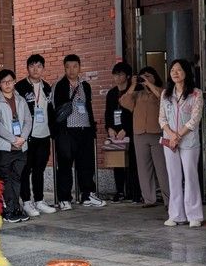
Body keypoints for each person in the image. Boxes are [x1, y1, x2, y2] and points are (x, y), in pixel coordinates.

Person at [52, 54, 105, 209]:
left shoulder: (85, 86)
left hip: (85, 130)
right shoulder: (59, 85)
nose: (71, 70)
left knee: (86, 164)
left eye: (75, 66)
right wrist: (57, 132)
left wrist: (92, 129)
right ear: (64, 68)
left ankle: (87, 195)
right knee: (65, 165)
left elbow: (88, 107)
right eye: (68, 67)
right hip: (67, 131)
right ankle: (64, 198)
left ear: (79, 67)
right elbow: (55, 109)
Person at [159, 59, 204, 228]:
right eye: (172, 70)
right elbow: (161, 118)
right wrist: (171, 135)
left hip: (189, 142)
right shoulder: (166, 94)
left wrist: (179, 135)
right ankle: (176, 215)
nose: (175, 73)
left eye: (178, 70)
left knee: (190, 177)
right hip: (169, 141)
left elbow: (195, 119)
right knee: (174, 177)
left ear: (186, 72)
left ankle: (194, 215)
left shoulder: (196, 93)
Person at [120, 66, 170, 208]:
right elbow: (124, 101)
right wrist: (133, 85)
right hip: (140, 134)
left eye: (148, 75)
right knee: (143, 168)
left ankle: (169, 199)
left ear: (155, 77)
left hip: (157, 134)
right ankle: (149, 199)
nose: (145, 78)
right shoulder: (138, 94)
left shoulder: (161, 91)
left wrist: (149, 85)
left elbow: (164, 99)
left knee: (162, 168)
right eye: (143, 76)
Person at [15, 54, 56, 216]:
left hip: (44, 135)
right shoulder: (20, 87)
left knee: (39, 169)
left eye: (39, 66)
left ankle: (39, 200)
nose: (35, 69)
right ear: (27, 68)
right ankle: (26, 202)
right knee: (26, 169)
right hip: (28, 136)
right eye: (32, 66)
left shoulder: (47, 87)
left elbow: (50, 110)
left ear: (43, 68)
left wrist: (53, 131)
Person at [0, 69, 33, 222]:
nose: (7, 84)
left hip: (21, 147)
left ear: (15, 81)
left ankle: (16, 208)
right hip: (4, 147)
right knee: (6, 178)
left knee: (17, 178)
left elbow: (28, 121)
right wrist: (13, 139)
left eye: (10, 81)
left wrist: (22, 137)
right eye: (4, 82)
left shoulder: (21, 99)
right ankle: (8, 211)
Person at [104, 61, 141, 203]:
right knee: (117, 163)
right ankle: (119, 191)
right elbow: (108, 113)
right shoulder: (111, 93)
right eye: (115, 74)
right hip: (115, 133)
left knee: (133, 163)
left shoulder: (134, 91)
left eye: (120, 74)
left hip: (130, 132)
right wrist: (109, 128)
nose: (117, 77)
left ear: (128, 76)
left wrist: (126, 130)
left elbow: (135, 114)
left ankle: (135, 192)